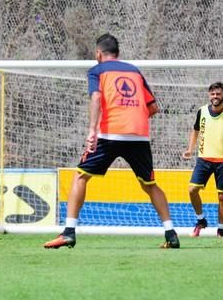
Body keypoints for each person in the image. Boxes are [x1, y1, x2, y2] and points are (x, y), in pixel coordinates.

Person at [44, 33, 180, 249]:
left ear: (98, 53)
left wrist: (92, 131)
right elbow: (153, 108)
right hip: (139, 135)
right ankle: (171, 234)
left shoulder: (97, 70)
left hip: (109, 133)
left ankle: (69, 232)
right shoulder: (134, 71)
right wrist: (132, 119)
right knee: (150, 184)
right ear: (118, 53)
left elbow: (96, 98)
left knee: (80, 176)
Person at [182, 81, 223, 238]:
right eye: (213, 94)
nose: (215, 96)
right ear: (209, 95)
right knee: (192, 189)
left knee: (221, 197)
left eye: (218, 93)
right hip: (204, 159)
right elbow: (195, 130)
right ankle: (201, 220)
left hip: (222, 161)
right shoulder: (202, 111)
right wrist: (190, 149)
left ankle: (221, 229)